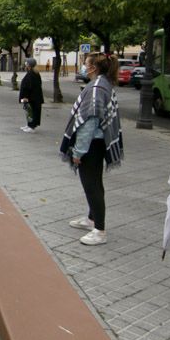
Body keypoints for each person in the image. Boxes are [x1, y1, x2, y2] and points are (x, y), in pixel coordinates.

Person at [59, 52, 123, 245]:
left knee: (92, 186)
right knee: (94, 182)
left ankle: (100, 230)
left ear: (94, 67)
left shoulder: (96, 88)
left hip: (92, 145)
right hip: (97, 143)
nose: (84, 67)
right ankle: (91, 218)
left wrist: (79, 152)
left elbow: (89, 123)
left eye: (86, 64)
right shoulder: (103, 84)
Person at [19, 57, 43, 132]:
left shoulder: (33, 74)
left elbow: (29, 87)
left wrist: (25, 97)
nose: (25, 65)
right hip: (28, 97)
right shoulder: (31, 72)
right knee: (28, 110)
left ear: (29, 65)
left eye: (26, 63)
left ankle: (32, 126)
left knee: (32, 110)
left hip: (31, 97)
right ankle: (29, 124)